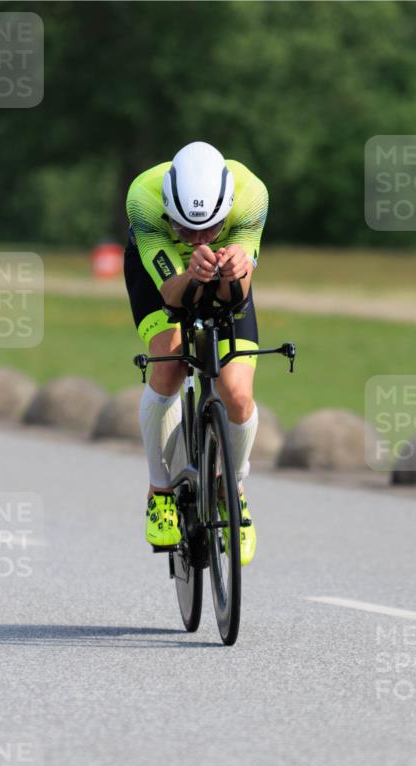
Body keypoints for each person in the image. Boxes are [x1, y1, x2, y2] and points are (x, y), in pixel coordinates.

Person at [124, 141, 268, 565]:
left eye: (211, 229)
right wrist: (190, 269)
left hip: (226, 275)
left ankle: (233, 489)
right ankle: (160, 492)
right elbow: (170, 294)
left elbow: (235, 298)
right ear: (169, 209)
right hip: (161, 273)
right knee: (167, 366)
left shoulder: (251, 195)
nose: (200, 239)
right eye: (187, 229)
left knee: (237, 393)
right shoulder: (143, 198)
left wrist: (234, 271)